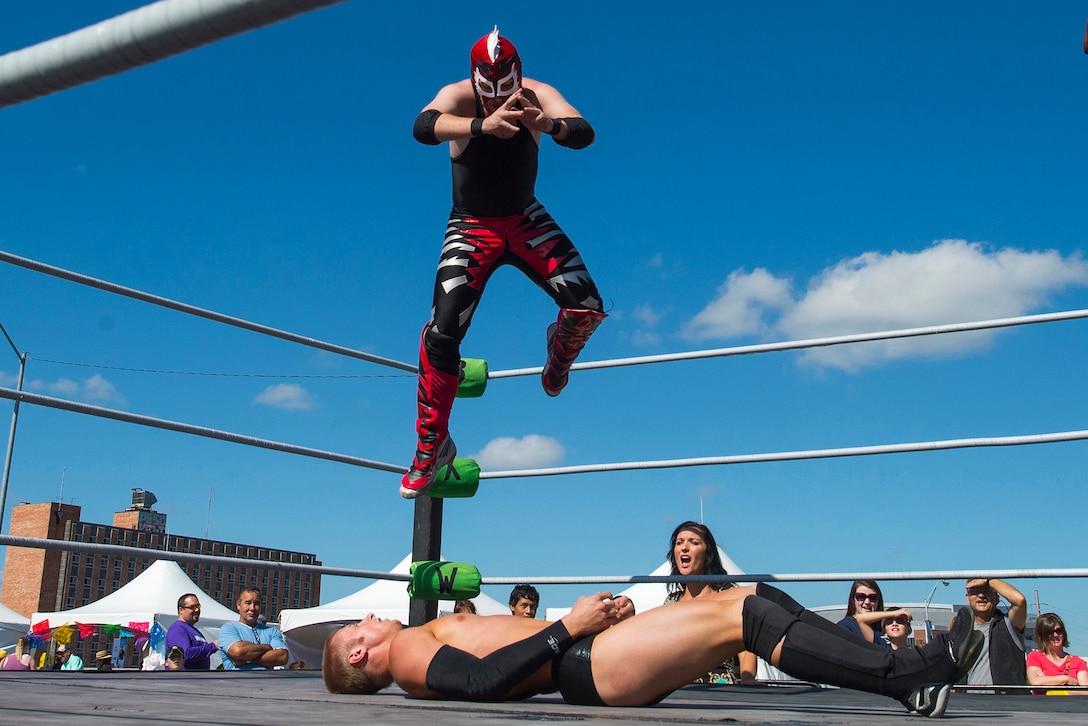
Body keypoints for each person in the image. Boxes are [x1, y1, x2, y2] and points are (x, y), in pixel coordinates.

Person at [401, 26, 606, 498]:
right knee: (443, 329)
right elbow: (422, 126)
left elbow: (583, 132)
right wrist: (480, 126)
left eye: (505, 92)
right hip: (473, 224)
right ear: (476, 80)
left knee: (587, 304)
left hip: (524, 217)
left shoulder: (536, 94)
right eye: (488, 92)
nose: (498, 102)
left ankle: (560, 349)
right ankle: (432, 443)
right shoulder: (459, 95)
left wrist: (546, 123)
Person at [323, 583, 984, 718]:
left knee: (753, 593)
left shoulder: (418, 638)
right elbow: (480, 686)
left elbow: (493, 659)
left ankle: (875, 658)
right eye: (360, 626)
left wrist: (594, 619)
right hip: (589, 668)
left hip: (593, 650)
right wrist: (570, 629)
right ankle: (908, 678)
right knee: (746, 617)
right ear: (359, 657)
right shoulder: (408, 657)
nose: (374, 617)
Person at [664, 521, 757, 683]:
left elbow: (745, 643)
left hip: (720, 689)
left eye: (694, 542)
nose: (684, 547)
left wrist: (748, 678)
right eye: (679, 543)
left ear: (708, 553)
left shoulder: (728, 593)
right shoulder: (671, 602)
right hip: (679, 689)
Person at [956, 578, 1027, 686]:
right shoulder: (961, 632)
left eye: (987, 591)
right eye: (975, 592)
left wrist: (988, 581)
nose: (981, 595)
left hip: (1007, 701)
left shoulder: (1008, 625)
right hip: (970, 701)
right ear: (967, 598)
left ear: (997, 597)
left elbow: (1019, 601)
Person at [218, 587, 288, 671]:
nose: (252, 608)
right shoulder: (228, 628)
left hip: (266, 683)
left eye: (256, 604)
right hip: (238, 682)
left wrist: (248, 659)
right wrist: (267, 647)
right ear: (238, 605)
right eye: (248, 603)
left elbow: (282, 657)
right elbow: (238, 651)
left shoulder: (272, 632)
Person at [1026, 612, 1088, 689]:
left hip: (1072, 701)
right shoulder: (1035, 657)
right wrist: (1066, 679)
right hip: (1043, 701)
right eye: (1049, 632)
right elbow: (1035, 682)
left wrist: (1048, 681)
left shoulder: (1078, 662)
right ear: (1042, 636)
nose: (1055, 635)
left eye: (1058, 631)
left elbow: (1085, 692)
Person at [837, 580, 898, 648]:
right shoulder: (845, 626)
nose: (867, 602)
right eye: (861, 597)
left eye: (872, 597)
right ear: (853, 599)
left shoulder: (884, 627)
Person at [165, 593, 218, 670]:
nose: (197, 610)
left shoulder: (194, 631)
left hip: (197, 680)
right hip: (184, 680)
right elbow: (185, 654)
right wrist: (213, 646)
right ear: (181, 610)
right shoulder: (177, 629)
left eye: (198, 606)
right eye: (192, 607)